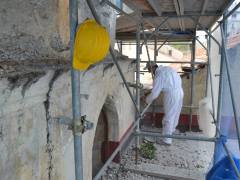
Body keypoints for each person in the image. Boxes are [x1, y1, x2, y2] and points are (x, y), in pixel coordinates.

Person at [143, 62, 184, 145]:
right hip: (179, 91)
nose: (150, 72)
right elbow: (162, 86)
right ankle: (171, 132)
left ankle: (166, 140)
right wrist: (151, 92)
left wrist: (146, 100)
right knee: (175, 114)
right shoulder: (168, 69)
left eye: (149, 70)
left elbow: (155, 94)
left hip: (171, 95)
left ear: (152, 68)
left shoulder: (159, 76)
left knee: (168, 117)